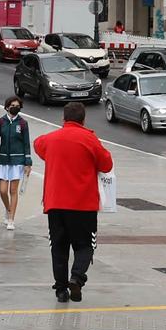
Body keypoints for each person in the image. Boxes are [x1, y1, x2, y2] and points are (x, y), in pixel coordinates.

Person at [32, 103, 114, 303]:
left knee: (58, 247)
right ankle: (77, 277)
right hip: (83, 204)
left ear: (63, 119)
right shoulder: (90, 139)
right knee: (85, 246)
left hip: (55, 203)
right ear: (83, 120)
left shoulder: (50, 139)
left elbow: (37, 144)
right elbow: (107, 164)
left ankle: (61, 290)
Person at [0, 97, 33, 231]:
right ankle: (8, 209)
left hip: (17, 161)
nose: (15, 107)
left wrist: (28, 162)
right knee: (3, 190)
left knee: (13, 191)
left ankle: (11, 219)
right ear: (6, 107)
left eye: (17, 105)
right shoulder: (0, 122)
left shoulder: (23, 123)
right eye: (12, 105)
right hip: (3, 160)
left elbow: (26, 144)